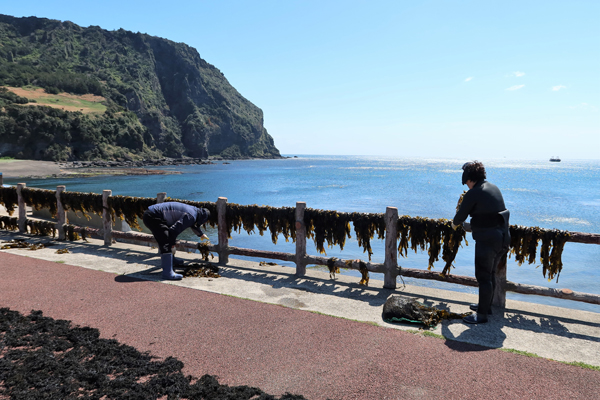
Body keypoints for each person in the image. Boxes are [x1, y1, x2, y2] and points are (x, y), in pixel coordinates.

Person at [452, 161, 510, 324]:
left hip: (488, 241)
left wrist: (455, 224)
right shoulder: (493, 187)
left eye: (467, 182)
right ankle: (486, 307)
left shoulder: (474, 192)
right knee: (490, 275)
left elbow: (460, 217)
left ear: (469, 178)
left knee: (483, 277)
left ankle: (482, 316)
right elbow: (488, 215)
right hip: (503, 238)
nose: (467, 186)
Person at [143, 202, 210, 280]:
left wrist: (201, 235)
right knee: (166, 241)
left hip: (153, 213)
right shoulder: (191, 215)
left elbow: (193, 225)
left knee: (166, 238)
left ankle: (171, 260)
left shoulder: (194, 212)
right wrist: (172, 244)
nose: (205, 223)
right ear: (203, 218)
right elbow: (174, 231)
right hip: (153, 216)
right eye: (205, 221)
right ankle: (167, 273)